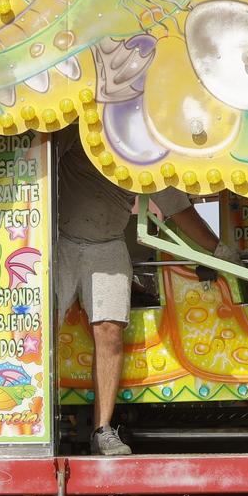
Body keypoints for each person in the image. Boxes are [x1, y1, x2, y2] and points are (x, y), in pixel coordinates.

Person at [53, 132, 227, 455]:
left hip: (108, 245)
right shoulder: (77, 128)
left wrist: (219, 250)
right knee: (42, 329)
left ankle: (102, 430)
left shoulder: (141, 144)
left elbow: (177, 206)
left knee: (110, 334)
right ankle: (37, 416)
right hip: (60, 240)